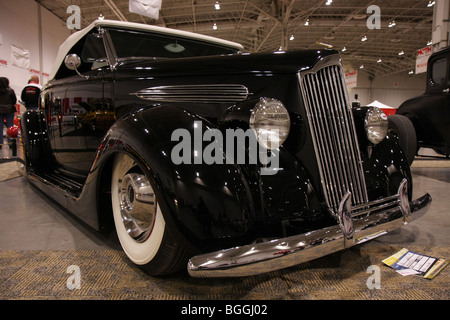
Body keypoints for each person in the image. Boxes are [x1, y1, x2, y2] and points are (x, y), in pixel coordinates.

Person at [0, 77, 17, 148]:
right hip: (9, 110)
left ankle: (0, 143)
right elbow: (14, 100)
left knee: (0, 127)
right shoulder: (11, 91)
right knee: (10, 126)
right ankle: (11, 143)